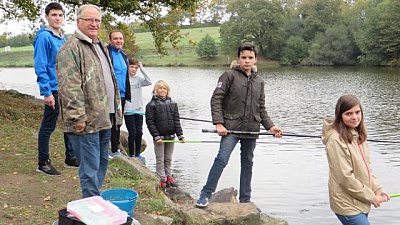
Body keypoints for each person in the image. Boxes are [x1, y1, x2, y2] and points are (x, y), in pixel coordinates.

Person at [196, 42, 283, 208]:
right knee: (222, 159)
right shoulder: (228, 76)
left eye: (250, 57)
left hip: (252, 129)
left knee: (248, 163)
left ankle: (245, 200)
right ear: (238, 59)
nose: (247, 61)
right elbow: (216, 99)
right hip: (230, 128)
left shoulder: (259, 81)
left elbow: (261, 109)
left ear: (255, 59)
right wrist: (219, 123)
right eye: (244, 57)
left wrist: (271, 127)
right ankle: (205, 194)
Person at [56, 4, 122, 198]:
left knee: (102, 162)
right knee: (89, 168)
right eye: (89, 20)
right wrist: (77, 117)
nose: (94, 24)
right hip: (86, 122)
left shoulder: (100, 45)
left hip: (104, 118)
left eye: (97, 20)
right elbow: (69, 87)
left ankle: (93, 201)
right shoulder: (71, 48)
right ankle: (91, 206)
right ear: (78, 22)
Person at [322, 94, 390, 225]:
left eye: (357, 112)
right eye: (348, 113)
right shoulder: (335, 140)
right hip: (346, 204)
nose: (354, 117)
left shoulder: (358, 135)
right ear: (340, 116)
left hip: (361, 200)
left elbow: (366, 168)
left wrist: (378, 189)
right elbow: (345, 177)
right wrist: (372, 197)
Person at [33, 2, 78, 176]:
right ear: (47, 17)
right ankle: (43, 162)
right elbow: (41, 65)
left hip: (66, 89)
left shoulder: (62, 38)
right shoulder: (44, 37)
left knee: (69, 124)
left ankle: (71, 157)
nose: (57, 18)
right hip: (53, 89)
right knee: (48, 126)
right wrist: (46, 92)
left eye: (60, 15)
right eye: (54, 15)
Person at [145, 80, 185, 188]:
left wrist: (180, 135)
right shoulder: (151, 105)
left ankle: (169, 176)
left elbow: (176, 121)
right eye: (160, 88)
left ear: (167, 91)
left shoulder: (173, 104)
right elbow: (150, 122)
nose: (162, 90)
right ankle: (161, 178)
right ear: (155, 90)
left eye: (164, 88)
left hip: (170, 137)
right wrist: (156, 136)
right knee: (160, 159)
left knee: (168, 158)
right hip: (159, 138)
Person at [107, 30, 131, 158]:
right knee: (109, 121)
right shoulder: (107, 54)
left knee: (118, 122)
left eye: (120, 38)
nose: (118, 41)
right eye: (115, 38)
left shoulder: (124, 56)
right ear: (110, 40)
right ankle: (107, 148)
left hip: (122, 95)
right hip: (110, 94)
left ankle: (115, 149)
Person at [124, 57, 152, 164]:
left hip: (139, 110)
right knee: (133, 133)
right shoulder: (125, 79)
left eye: (136, 68)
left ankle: (138, 154)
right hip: (128, 111)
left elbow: (149, 81)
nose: (134, 70)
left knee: (139, 132)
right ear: (127, 67)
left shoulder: (139, 79)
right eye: (132, 67)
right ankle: (132, 154)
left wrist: (142, 68)